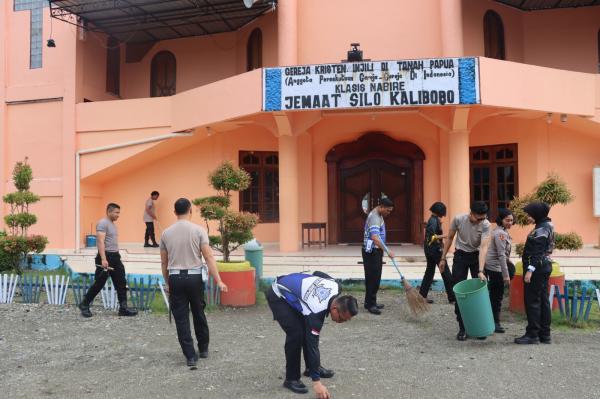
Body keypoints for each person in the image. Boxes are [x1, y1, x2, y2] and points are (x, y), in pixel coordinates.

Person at [266, 271, 358, 398]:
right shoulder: (316, 312)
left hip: (294, 289)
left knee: (308, 330)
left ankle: (311, 368)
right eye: (342, 318)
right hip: (278, 294)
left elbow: (317, 273)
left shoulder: (336, 285)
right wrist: (317, 383)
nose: (343, 322)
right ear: (335, 309)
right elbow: (312, 346)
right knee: (296, 334)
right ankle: (291, 379)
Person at [160, 198, 228, 368]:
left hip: (175, 277)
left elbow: (163, 262)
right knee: (198, 312)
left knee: (181, 318)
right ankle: (203, 348)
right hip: (194, 277)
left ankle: (190, 356)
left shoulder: (165, 233)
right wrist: (218, 280)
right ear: (190, 210)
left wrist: (168, 282)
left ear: (174, 212)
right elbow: (209, 257)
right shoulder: (198, 230)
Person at [439, 201, 491, 341]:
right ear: (471, 213)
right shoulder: (458, 219)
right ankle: (463, 328)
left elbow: (484, 247)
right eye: (479, 218)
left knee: (480, 293)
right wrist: (443, 258)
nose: (481, 220)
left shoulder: (486, 224)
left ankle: (479, 327)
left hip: (476, 257)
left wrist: (481, 270)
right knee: (459, 293)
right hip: (460, 256)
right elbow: (449, 238)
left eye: (484, 217)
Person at [78, 203, 138, 318]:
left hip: (115, 257)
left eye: (119, 212)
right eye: (116, 212)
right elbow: (100, 241)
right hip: (105, 257)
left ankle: (123, 308)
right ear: (109, 211)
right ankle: (84, 305)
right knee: (99, 283)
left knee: (121, 282)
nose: (118, 215)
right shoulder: (103, 223)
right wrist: (104, 259)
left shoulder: (112, 224)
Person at [515, 201, 555, 345]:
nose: (527, 217)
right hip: (544, 266)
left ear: (537, 214)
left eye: (529, 214)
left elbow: (537, 251)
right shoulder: (547, 225)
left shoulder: (541, 229)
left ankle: (532, 335)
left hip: (537, 268)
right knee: (543, 300)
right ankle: (545, 334)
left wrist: (530, 271)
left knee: (532, 301)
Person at [362, 197, 394, 315]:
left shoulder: (378, 214)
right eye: (388, 210)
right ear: (382, 207)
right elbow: (375, 238)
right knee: (372, 278)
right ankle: (371, 305)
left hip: (375, 251)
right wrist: (387, 250)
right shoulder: (375, 217)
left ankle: (370, 302)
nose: (388, 213)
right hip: (372, 252)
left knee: (375, 277)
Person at [484, 208, 514, 334]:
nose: (510, 223)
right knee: (496, 297)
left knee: (494, 296)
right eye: (507, 220)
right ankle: (495, 323)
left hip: (494, 267)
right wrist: (506, 275)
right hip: (496, 268)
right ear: (501, 220)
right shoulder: (500, 234)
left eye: (512, 220)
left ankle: (492, 321)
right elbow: (501, 255)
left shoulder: (502, 231)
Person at [419, 202, 455, 304]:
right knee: (446, 273)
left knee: (429, 272)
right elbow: (432, 237)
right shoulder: (434, 221)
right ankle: (452, 298)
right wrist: (446, 235)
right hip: (434, 250)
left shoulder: (433, 220)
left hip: (429, 249)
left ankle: (422, 296)